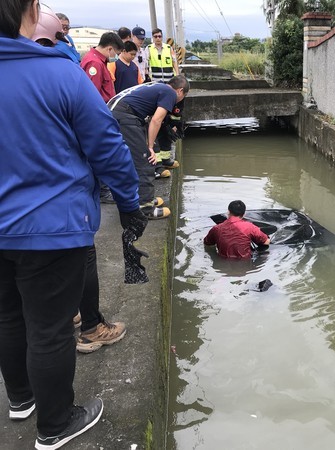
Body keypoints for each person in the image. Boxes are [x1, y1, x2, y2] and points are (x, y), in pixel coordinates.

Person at [0, 1, 148, 448]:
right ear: (27, 12)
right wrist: (129, 203)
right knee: (49, 327)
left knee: (8, 317)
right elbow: (107, 147)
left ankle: (20, 400)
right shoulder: (59, 73)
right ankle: (55, 425)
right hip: (51, 226)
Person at [108, 75, 190, 219]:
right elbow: (156, 120)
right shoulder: (170, 93)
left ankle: (137, 199)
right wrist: (150, 147)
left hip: (115, 113)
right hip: (124, 116)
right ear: (180, 91)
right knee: (145, 160)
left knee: (128, 160)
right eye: (184, 96)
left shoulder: (156, 86)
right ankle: (145, 208)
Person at [204, 201, 271, 259]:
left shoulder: (216, 228)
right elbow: (266, 242)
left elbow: (207, 243)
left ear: (228, 212)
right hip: (245, 265)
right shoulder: (250, 227)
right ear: (244, 214)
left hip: (223, 263)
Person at [80, 32, 124, 103]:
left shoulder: (100, 61)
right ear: (109, 49)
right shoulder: (95, 63)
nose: (117, 57)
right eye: (117, 54)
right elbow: (92, 94)